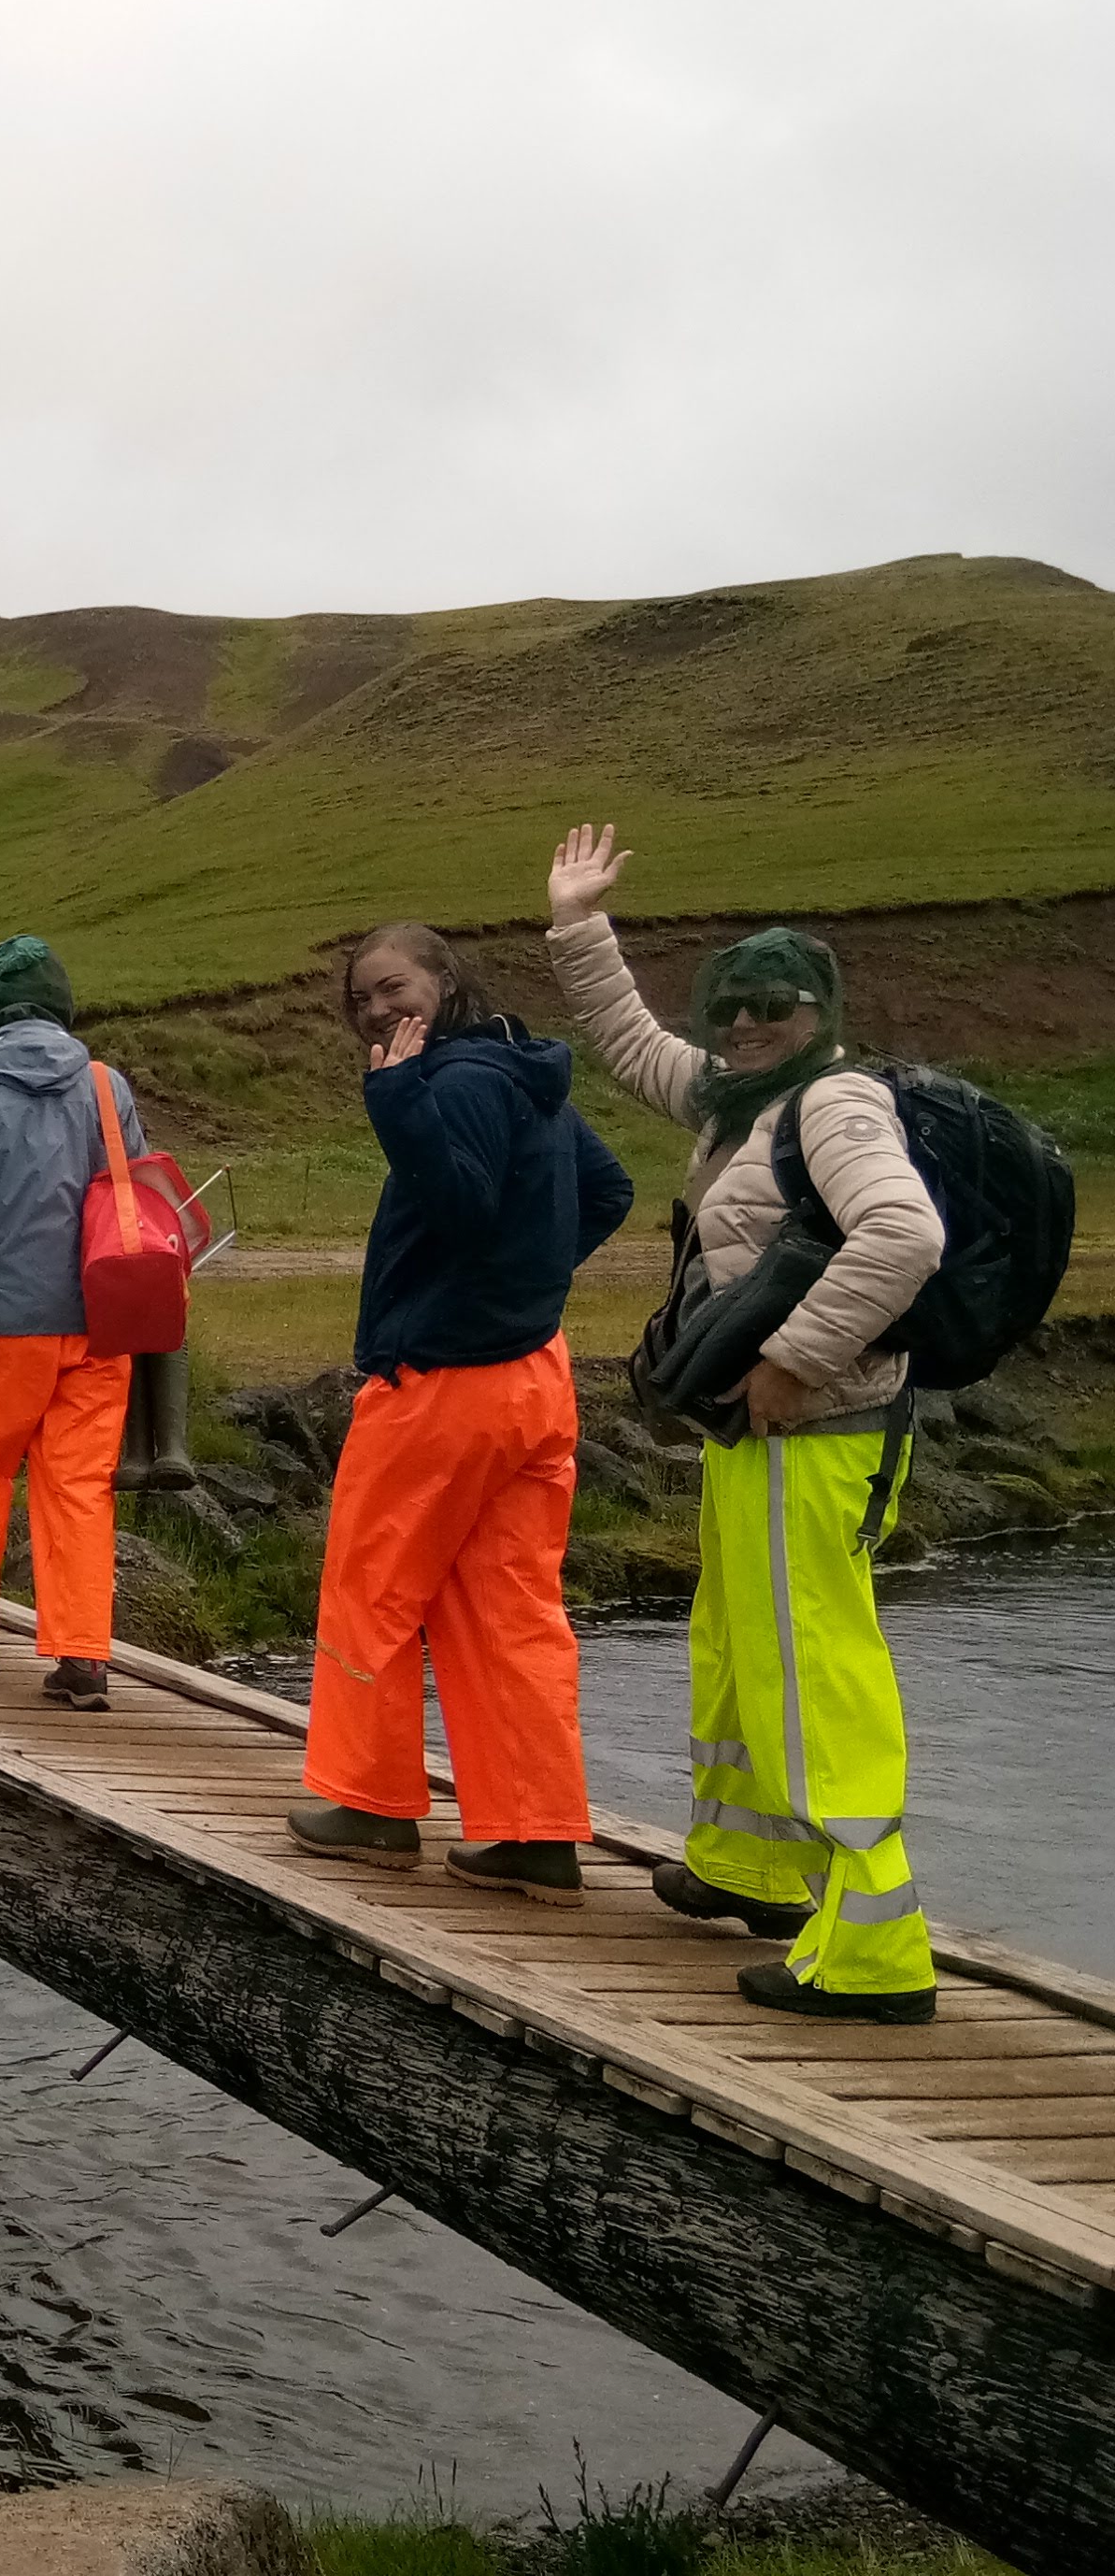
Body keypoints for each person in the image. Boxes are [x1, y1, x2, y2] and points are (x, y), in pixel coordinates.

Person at [548, 824, 946, 2021]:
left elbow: (903, 1234)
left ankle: (873, 1949)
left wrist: (789, 1359)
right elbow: (630, 1043)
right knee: (737, 1649)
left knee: (813, 1670)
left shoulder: (833, 1101)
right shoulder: (739, 1102)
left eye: (770, 1007)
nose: (742, 1023)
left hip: (815, 1432)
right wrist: (576, 923)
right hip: (756, 1437)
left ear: (817, 1013)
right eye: (728, 1005)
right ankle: (751, 1864)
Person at [287, 924, 636, 1901]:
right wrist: (524, 1286)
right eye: (359, 998)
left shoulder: (454, 1082)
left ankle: (369, 1805)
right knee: (510, 1608)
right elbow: (608, 1190)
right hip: (533, 1376)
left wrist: (396, 1098)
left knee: (372, 1588)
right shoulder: (523, 1071)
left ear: (443, 980)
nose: (375, 1010)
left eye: (391, 987)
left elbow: (464, 1206)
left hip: (442, 1382)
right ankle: (533, 1831)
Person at [0, 936, 151, 1710]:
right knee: (81, 1489)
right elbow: (138, 1200)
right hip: (98, 1323)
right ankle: (83, 1657)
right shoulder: (106, 1086)